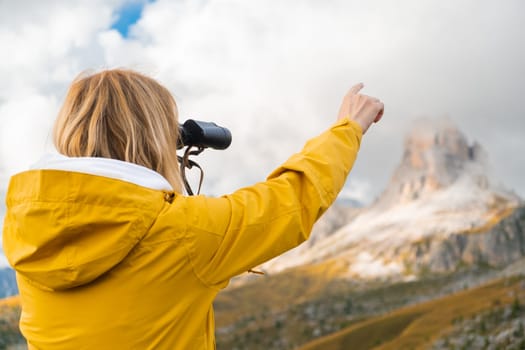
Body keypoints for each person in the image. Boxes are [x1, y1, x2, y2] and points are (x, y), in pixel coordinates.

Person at [2, 69, 384, 349]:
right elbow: (292, 198)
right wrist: (346, 130)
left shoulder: (30, 229)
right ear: (158, 137)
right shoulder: (185, 234)